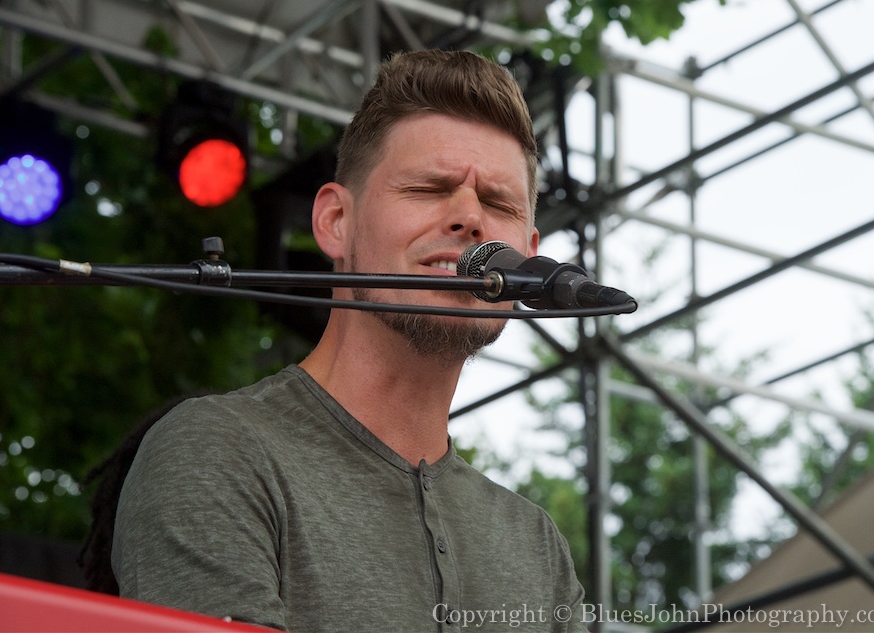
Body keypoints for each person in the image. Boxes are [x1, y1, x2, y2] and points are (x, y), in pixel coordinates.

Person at [109, 49, 586, 632]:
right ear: (336, 221)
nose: (469, 217)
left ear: (529, 255)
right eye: (429, 188)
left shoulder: (536, 545)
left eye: (498, 203)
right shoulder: (217, 450)